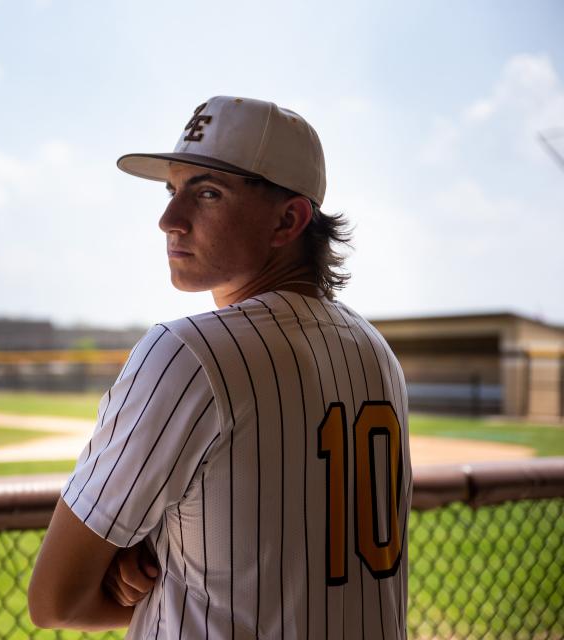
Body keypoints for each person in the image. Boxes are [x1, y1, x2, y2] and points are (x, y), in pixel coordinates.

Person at [28, 96, 411, 639]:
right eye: (172, 189)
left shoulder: (188, 354)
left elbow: (54, 601)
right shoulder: (375, 349)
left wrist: (150, 579)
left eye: (207, 192)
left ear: (288, 219)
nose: (169, 220)